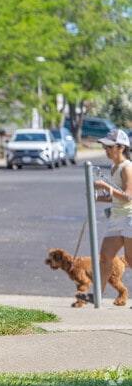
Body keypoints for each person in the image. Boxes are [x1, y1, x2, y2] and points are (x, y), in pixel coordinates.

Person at [80, 128, 132, 304]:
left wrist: (105, 186)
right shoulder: (113, 168)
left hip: (129, 219)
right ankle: (97, 296)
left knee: (131, 261)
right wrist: (98, 198)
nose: (106, 150)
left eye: (110, 147)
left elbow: (127, 196)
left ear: (121, 148)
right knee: (104, 258)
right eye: (105, 147)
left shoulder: (127, 167)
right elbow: (114, 197)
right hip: (116, 219)